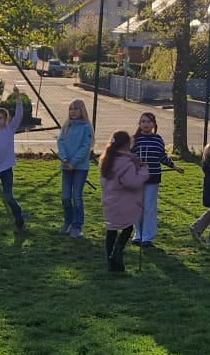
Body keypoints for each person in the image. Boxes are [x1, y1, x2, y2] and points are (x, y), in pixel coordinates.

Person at [100, 130, 147, 274]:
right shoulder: (126, 163)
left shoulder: (106, 160)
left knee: (111, 230)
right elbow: (132, 182)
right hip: (124, 202)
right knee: (128, 227)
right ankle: (117, 252)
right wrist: (143, 172)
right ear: (128, 144)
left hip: (110, 199)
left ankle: (111, 261)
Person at [0, 97, 29, 236]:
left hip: (6, 169)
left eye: (0, 118)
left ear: (6, 120)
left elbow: (19, 114)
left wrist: (18, 98)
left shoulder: (9, 130)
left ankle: (19, 220)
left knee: (8, 197)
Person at [130, 111, 177, 246]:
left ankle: (148, 236)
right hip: (137, 178)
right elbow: (129, 157)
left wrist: (174, 166)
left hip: (153, 178)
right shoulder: (134, 139)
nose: (146, 124)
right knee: (137, 206)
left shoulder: (157, 139)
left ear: (154, 124)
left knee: (149, 208)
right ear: (139, 124)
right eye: (143, 121)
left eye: (149, 122)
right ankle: (138, 234)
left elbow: (162, 156)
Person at [58, 99, 95, 239]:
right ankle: (68, 220)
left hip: (80, 168)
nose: (72, 112)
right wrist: (65, 159)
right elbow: (61, 142)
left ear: (82, 110)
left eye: (75, 109)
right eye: (70, 109)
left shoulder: (87, 127)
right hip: (66, 166)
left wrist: (74, 162)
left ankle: (77, 226)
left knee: (77, 196)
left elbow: (86, 147)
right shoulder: (66, 126)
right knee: (66, 197)